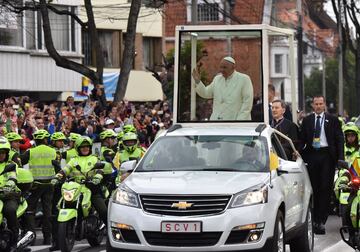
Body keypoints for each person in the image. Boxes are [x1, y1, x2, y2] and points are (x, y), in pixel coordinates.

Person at [299, 95, 344, 234]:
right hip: (312, 155)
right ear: (313, 105)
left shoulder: (333, 120)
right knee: (314, 188)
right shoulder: (307, 120)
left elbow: (339, 140)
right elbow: (302, 139)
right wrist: (298, 153)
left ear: (324, 104)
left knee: (325, 188)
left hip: (327, 156)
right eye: (316, 104)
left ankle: (321, 221)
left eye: (320, 103)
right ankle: (314, 219)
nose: (318, 106)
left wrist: (340, 158)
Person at [51, 136, 108, 225]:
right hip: (76, 188)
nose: (85, 148)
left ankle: (109, 232)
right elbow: (65, 169)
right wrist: (57, 177)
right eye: (82, 147)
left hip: (92, 187)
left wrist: (97, 176)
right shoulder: (74, 160)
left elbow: (100, 170)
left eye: (87, 146)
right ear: (78, 148)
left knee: (103, 211)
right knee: (59, 205)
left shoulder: (94, 158)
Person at [20, 129, 57, 245]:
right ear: (45, 140)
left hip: (35, 185)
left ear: (36, 140)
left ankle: (32, 238)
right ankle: (47, 239)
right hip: (50, 184)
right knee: (48, 212)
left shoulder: (30, 152)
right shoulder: (53, 151)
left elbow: (20, 162)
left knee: (30, 211)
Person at [192, 56, 253, 120]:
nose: (222, 70)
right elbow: (206, 93)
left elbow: (247, 103)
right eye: (221, 67)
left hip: (235, 121)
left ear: (233, 67)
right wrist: (198, 81)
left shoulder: (244, 79)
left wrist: (239, 121)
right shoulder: (217, 79)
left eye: (225, 67)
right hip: (217, 121)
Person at [0, 137, 21, 251]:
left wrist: (9, 185)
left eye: (3, 152)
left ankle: (14, 240)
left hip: (9, 195)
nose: (1, 155)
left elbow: (13, 177)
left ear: (7, 153)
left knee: (9, 210)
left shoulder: (11, 165)